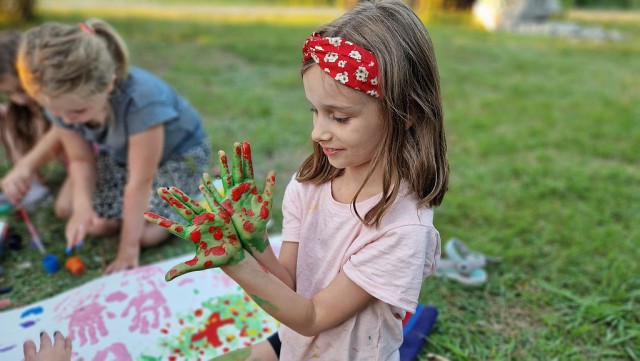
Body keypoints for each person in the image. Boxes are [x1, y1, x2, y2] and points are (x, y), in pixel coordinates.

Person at [147, 1, 448, 360]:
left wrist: (236, 264)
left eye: (339, 117)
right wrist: (255, 244)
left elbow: (314, 316)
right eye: (314, 111)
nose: (318, 132)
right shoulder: (310, 185)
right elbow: (291, 285)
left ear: (408, 112)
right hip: (297, 346)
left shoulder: (402, 229)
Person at [16, 18, 211, 274]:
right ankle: (129, 215)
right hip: (121, 154)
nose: (65, 121)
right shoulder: (62, 100)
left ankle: (195, 195)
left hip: (176, 155)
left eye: (76, 112)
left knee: (144, 237)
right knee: (75, 212)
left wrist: (127, 251)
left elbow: (139, 182)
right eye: (55, 112)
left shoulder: (142, 102)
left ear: (108, 84)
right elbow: (81, 160)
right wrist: (83, 208)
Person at [0, 30, 71, 213]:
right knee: (9, 117)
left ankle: (26, 176)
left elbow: (58, 132)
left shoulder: (63, 103)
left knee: (65, 208)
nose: (19, 99)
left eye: (22, 89)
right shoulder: (20, 109)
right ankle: (30, 185)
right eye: (9, 94)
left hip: (86, 164)